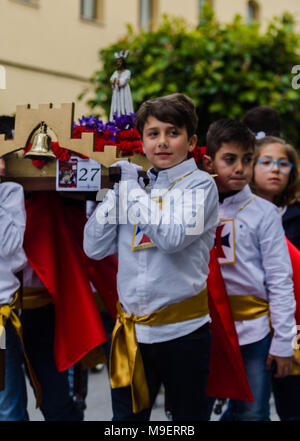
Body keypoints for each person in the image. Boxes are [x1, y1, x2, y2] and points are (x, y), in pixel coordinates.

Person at [84, 93, 219, 421]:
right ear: (142, 141)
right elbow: (93, 247)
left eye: (173, 132)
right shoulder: (136, 187)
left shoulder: (201, 186)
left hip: (184, 333)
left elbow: (172, 238)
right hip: (132, 335)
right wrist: (117, 195)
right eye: (153, 134)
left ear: (191, 141)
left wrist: (130, 190)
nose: (162, 142)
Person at [202, 118, 296, 421]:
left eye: (247, 160)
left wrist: (283, 342)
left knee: (252, 412)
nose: (240, 168)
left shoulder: (264, 213)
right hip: (203, 329)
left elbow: (281, 280)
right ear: (209, 161)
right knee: (193, 412)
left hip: (253, 332)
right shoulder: (195, 208)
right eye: (230, 159)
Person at [252, 135, 300, 420]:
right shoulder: (233, 212)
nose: (275, 169)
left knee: (292, 405)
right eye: (267, 162)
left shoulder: (296, 214)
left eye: (283, 164)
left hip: (294, 324)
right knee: (250, 409)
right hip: (252, 324)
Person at [109, 50, 134, 121]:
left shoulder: (127, 72)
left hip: (124, 92)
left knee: (126, 106)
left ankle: (127, 120)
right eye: (117, 62)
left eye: (120, 62)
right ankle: (115, 120)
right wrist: (114, 81)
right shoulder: (115, 72)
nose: (118, 63)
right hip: (116, 93)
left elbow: (123, 81)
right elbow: (111, 80)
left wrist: (118, 81)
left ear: (123, 63)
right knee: (116, 107)